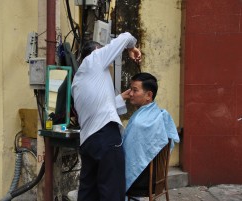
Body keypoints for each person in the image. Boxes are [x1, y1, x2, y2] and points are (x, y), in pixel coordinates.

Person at [71, 32, 141, 201]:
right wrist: (131, 47)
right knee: (112, 193)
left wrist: (121, 98)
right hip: (105, 138)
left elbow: (98, 108)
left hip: (89, 142)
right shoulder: (96, 58)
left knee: (89, 193)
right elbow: (126, 36)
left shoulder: (78, 80)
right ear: (97, 50)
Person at [121, 72, 180, 193]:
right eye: (130, 89)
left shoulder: (140, 122)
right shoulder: (158, 114)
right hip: (157, 179)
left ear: (149, 95)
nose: (130, 94)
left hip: (141, 181)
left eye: (135, 90)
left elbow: (129, 155)